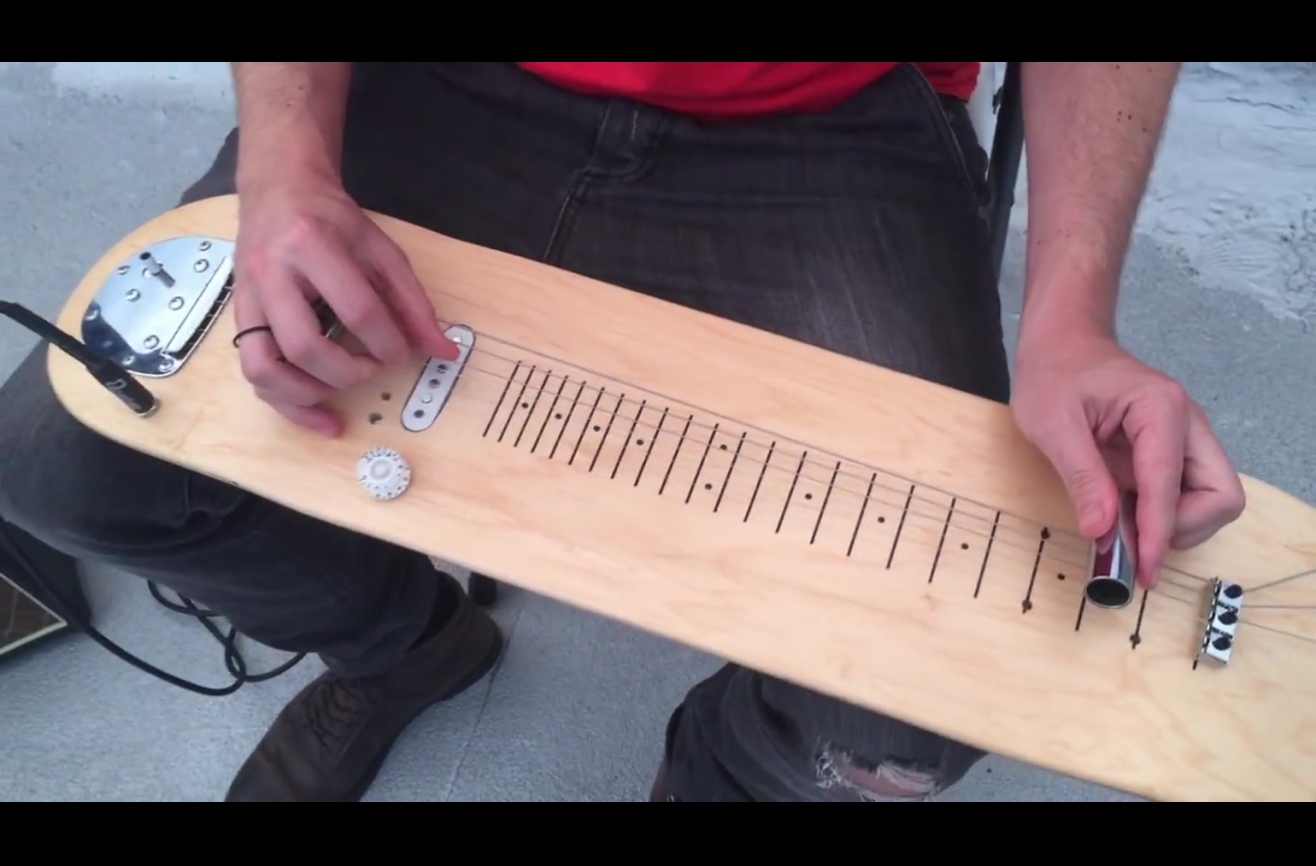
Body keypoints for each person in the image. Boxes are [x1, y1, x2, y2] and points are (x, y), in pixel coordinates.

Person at [0, 62, 1246, 803]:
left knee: (918, 706)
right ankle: (399, 646)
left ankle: (718, 777)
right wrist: (283, 165)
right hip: (441, 85)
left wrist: (1071, 318)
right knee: (72, 464)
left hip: (827, 120)